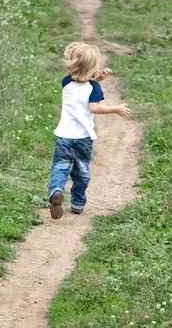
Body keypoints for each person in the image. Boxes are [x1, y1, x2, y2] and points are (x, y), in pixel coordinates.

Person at [47, 42, 130, 219]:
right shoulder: (94, 88)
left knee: (60, 167)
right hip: (83, 139)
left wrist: (97, 79)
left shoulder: (66, 82)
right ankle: (77, 203)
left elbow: (81, 88)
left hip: (64, 137)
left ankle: (56, 191)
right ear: (92, 69)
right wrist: (115, 108)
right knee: (81, 172)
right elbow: (93, 107)